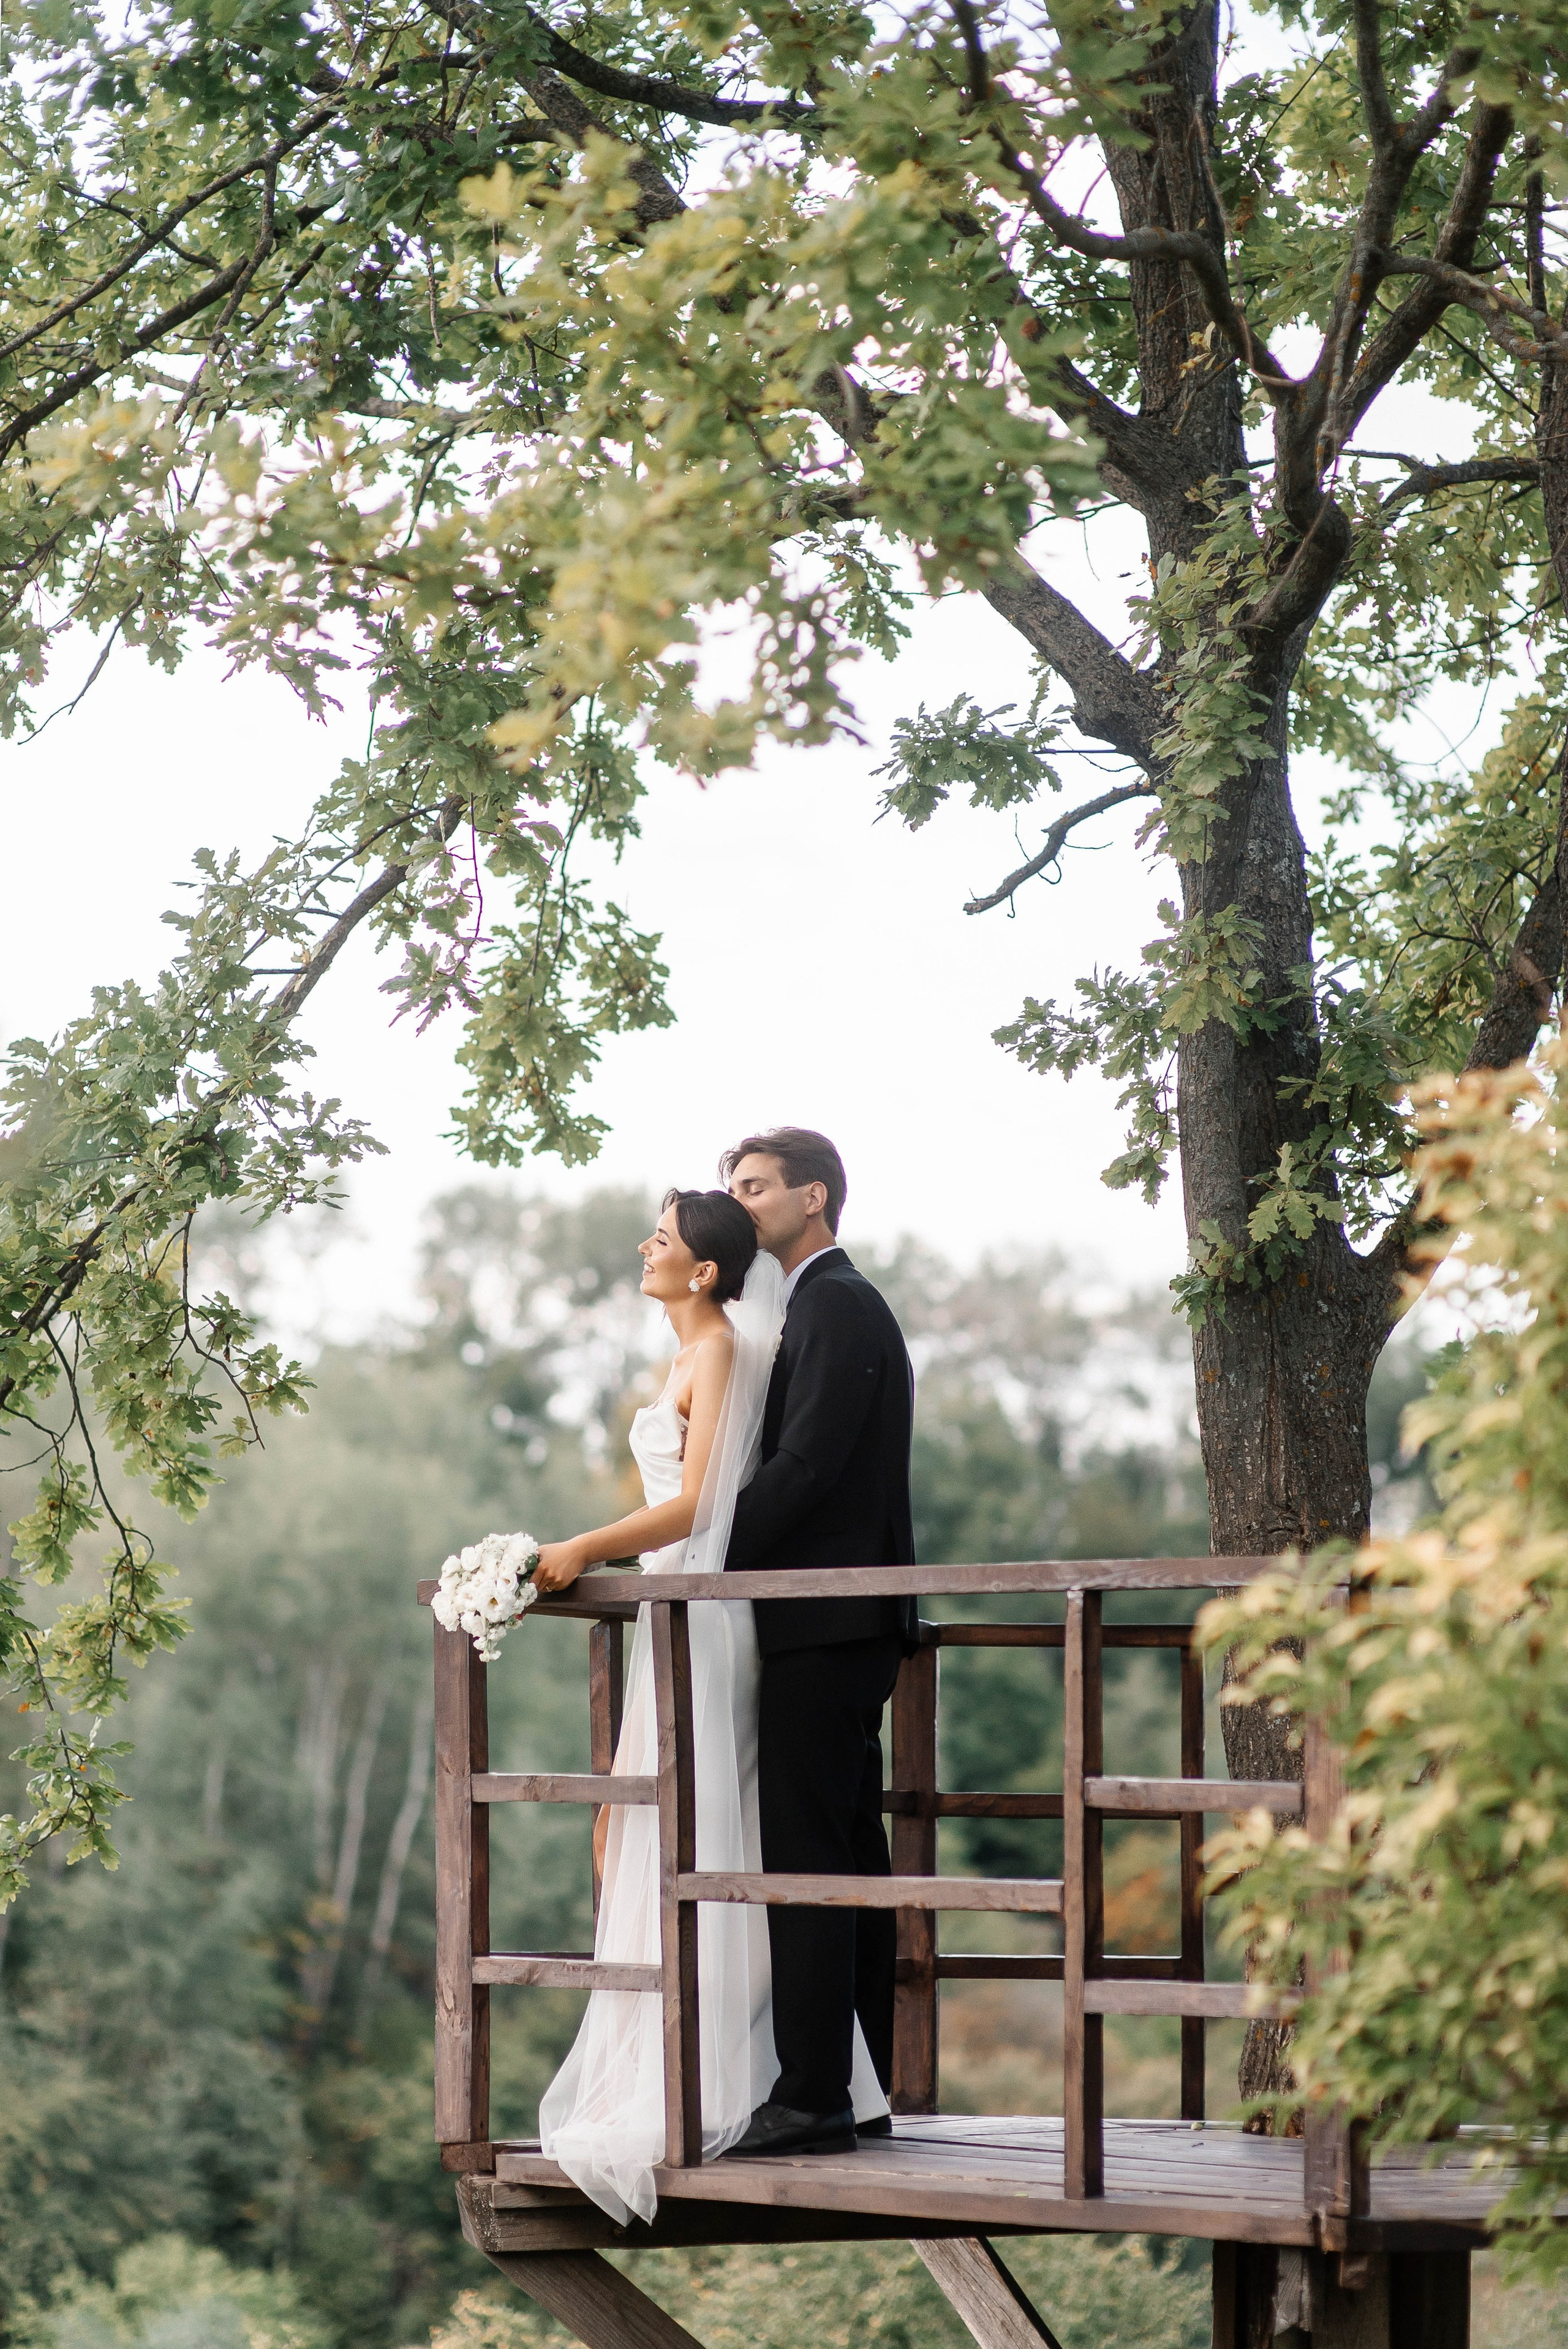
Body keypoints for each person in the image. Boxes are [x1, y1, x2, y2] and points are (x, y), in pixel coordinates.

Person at [528, 1186, 889, 2224]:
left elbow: (698, 1505)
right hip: (665, 1605)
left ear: (700, 1273)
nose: (645, 1247)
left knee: (696, 1826)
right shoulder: (689, 1353)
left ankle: (714, 2079)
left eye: (664, 1239)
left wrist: (580, 1549)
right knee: (626, 1826)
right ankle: (675, 2056)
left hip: (699, 1603)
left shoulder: (724, 1347)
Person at [721, 1128, 919, 2160]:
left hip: (829, 1620)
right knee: (845, 1851)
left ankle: (810, 2097)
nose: (743, 1203)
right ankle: (861, 2081)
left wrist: (708, 1548)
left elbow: (806, 1466)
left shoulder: (837, 1304)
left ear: (816, 1195)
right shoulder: (817, 1305)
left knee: (807, 1855)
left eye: (757, 1187)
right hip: (839, 1619)